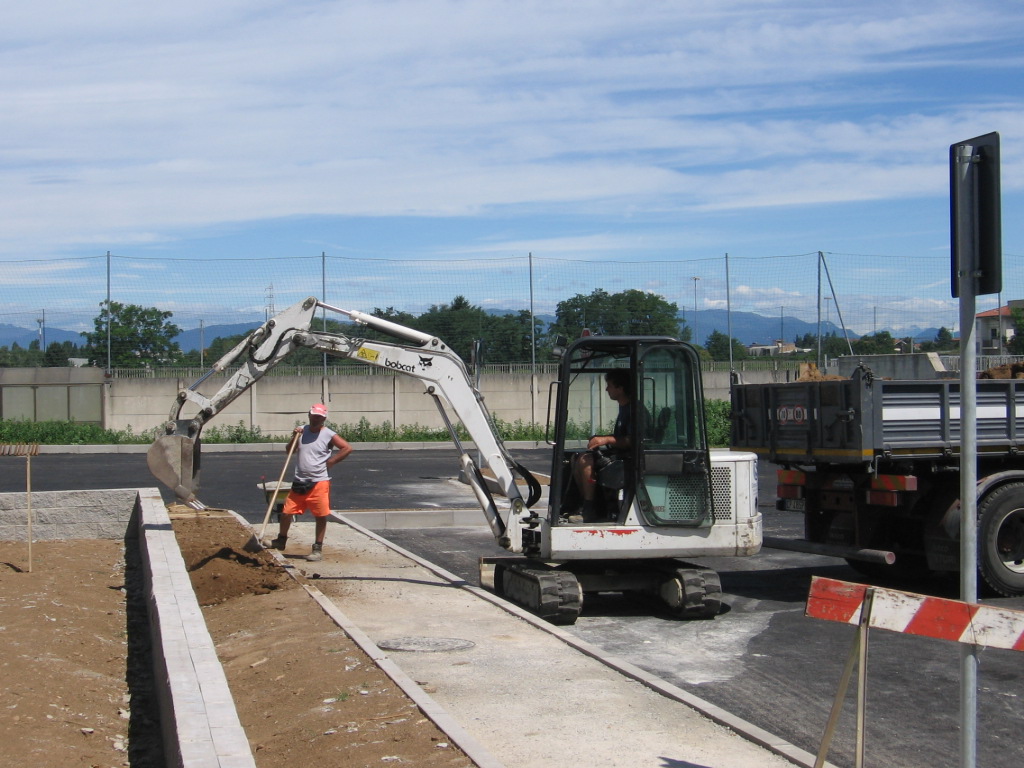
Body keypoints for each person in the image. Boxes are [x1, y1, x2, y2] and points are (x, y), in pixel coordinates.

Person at [263, 403, 353, 561]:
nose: (315, 418)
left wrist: (332, 462)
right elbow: (289, 449)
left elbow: (346, 448)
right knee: (286, 513)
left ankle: (317, 548)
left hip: (319, 482)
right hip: (300, 480)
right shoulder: (301, 431)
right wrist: (294, 436)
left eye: (319, 416)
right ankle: (280, 541)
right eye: (313, 415)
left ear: (323, 418)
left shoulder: (328, 434)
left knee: (320, 515)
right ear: (309, 415)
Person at [570, 370, 634, 523]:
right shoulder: (624, 408)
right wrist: (601, 439)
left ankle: (590, 509)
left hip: (631, 459)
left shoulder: (634, 410)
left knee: (586, 460)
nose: (606, 389)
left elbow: (632, 440)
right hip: (621, 454)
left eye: (609, 386)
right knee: (575, 458)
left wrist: (606, 439)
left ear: (620, 388)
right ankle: (588, 504)